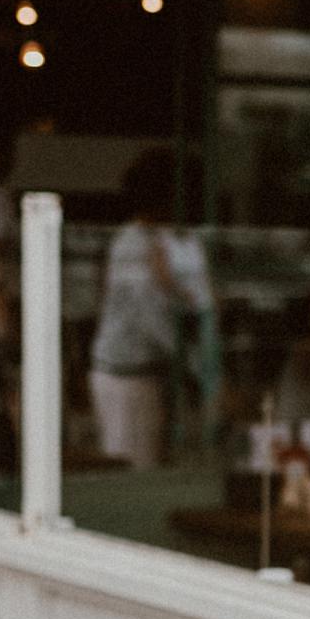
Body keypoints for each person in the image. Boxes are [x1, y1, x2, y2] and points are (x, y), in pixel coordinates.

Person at [86, 147, 212, 469]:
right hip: (125, 376)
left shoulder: (159, 240)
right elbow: (149, 316)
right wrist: (195, 367)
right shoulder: (133, 244)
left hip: (145, 373)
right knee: (131, 470)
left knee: (148, 464)